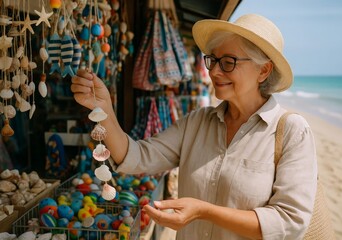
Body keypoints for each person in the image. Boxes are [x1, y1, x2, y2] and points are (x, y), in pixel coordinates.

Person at [71, 14, 317, 240]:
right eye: (213, 60)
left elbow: (290, 221)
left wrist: (203, 211)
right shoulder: (197, 122)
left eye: (228, 62)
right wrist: (104, 109)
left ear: (263, 70)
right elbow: (138, 157)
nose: (215, 72)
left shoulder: (292, 132)